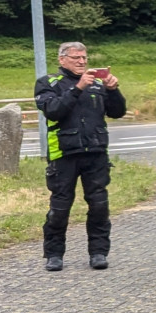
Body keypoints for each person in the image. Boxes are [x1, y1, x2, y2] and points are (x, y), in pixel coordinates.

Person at [35, 41, 126, 271]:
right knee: (60, 208)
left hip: (95, 153)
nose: (82, 62)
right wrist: (77, 88)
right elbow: (53, 111)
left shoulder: (97, 83)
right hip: (63, 155)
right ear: (62, 59)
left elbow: (118, 112)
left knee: (99, 205)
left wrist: (113, 90)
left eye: (84, 58)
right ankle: (54, 255)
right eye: (76, 58)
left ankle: (98, 253)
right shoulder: (48, 83)